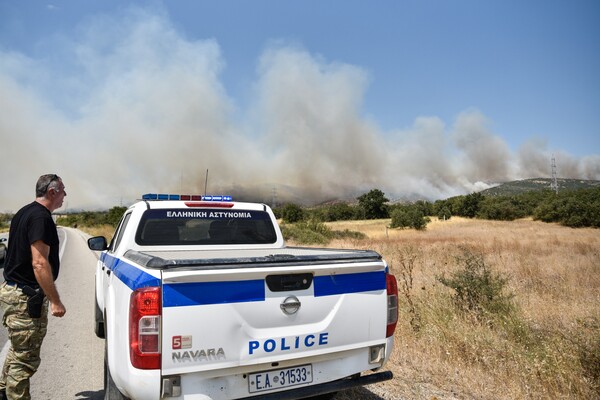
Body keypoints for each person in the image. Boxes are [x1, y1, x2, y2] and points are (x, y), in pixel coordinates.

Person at [0, 174, 67, 400]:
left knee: (18, 351)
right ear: (52, 192)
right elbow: (39, 263)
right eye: (63, 191)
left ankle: (2, 390)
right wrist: (55, 301)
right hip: (25, 298)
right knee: (25, 360)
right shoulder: (41, 218)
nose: (65, 196)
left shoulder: (23, 212)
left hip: (12, 291)